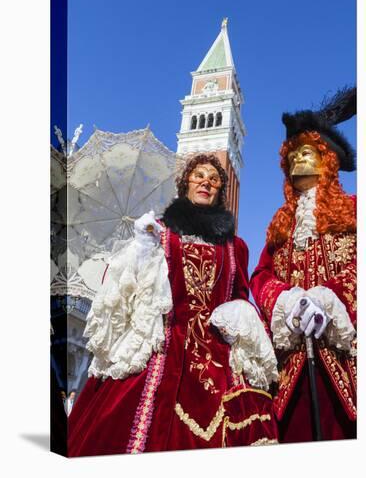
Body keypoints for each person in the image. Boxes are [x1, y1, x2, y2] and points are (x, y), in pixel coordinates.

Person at [68, 154, 279, 456]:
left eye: (214, 178)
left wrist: (237, 311)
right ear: (185, 184)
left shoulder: (236, 246)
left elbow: (240, 295)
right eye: (198, 175)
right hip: (162, 347)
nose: (206, 181)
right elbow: (127, 287)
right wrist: (141, 249)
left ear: (220, 190)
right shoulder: (159, 232)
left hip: (217, 357)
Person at [250, 88, 357, 443]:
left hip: (347, 358)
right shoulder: (281, 223)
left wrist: (331, 298)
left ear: (327, 160)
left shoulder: (355, 210)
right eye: (292, 156)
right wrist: (285, 300)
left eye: (306, 152)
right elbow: (261, 275)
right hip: (292, 362)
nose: (298, 161)